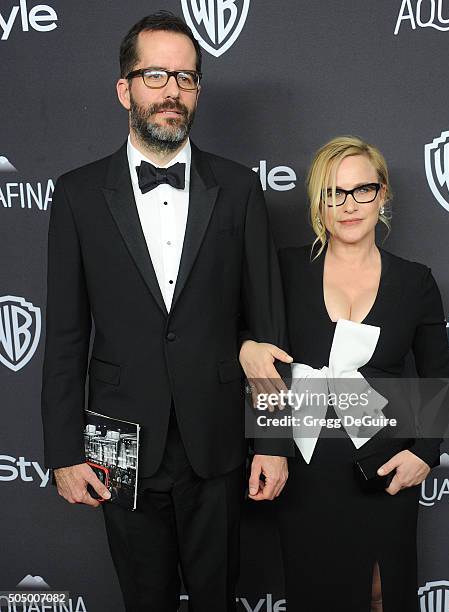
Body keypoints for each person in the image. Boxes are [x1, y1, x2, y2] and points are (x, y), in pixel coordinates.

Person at [41, 11, 292, 612]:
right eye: (155, 75)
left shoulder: (237, 189)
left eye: (186, 77)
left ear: (198, 91)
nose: (172, 90)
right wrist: (63, 451)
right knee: (143, 599)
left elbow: (269, 329)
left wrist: (275, 441)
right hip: (118, 446)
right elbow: (67, 336)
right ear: (124, 89)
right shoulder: (76, 195)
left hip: (218, 438)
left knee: (218, 598)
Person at [242, 135, 449, 611]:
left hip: (381, 465)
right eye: (333, 193)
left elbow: (440, 377)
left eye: (362, 190)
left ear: (383, 194)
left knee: (382, 594)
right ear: (319, 203)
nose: (349, 205)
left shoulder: (415, 281)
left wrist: (425, 454)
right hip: (307, 467)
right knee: (315, 594)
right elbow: (241, 336)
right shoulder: (286, 269)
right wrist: (246, 347)